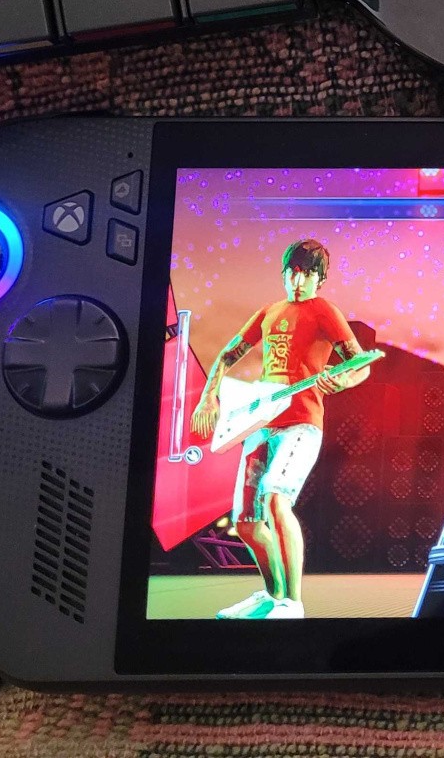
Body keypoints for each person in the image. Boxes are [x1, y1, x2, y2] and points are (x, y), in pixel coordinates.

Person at [190, 239, 371, 620]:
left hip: (302, 423)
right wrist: (209, 397)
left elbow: (362, 363)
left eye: (307, 274)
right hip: (259, 424)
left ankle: (293, 602)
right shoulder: (268, 312)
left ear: (320, 279)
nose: (298, 281)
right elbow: (228, 354)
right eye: (292, 272)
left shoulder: (324, 310)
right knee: (246, 521)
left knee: (275, 498)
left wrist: (342, 380)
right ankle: (273, 597)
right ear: (284, 273)